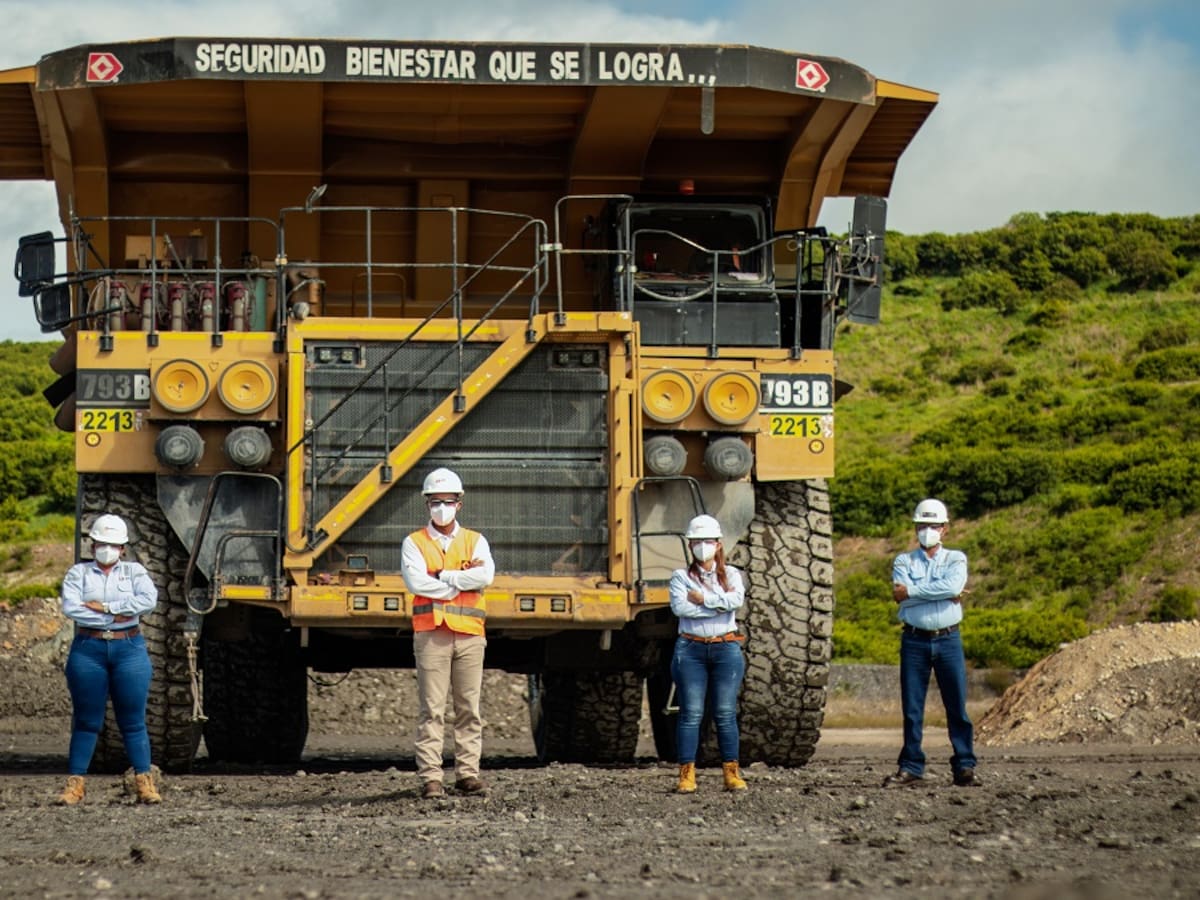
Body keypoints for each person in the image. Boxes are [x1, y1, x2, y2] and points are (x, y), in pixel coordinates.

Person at [400, 467, 495, 799]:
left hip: (469, 635)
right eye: (436, 502)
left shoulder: (475, 540)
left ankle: (468, 774)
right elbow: (416, 583)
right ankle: (431, 778)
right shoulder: (414, 543)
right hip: (431, 635)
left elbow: (484, 578)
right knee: (432, 708)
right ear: (427, 504)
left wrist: (442, 577)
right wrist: (458, 581)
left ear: (460, 503)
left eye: (448, 501)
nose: (442, 508)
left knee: (469, 706)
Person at [57, 514, 161, 805]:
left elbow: (148, 601)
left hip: (128, 648)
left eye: (113, 545)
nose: (107, 549)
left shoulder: (135, 572)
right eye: (101, 543)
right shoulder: (78, 574)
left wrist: (106, 607)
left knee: (133, 720)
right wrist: (120, 612)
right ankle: (75, 785)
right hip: (88, 649)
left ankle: (145, 783)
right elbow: (73, 609)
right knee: (87, 720)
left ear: (123, 549)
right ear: (92, 545)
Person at [886, 498, 978, 788]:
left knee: (957, 706)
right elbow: (949, 589)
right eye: (922, 525)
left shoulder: (956, 558)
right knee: (912, 708)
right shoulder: (903, 560)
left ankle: (964, 764)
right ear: (915, 528)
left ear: (945, 529)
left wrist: (912, 591)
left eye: (933, 525)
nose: (928, 530)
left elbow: (911, 592)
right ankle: (911, 764)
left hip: (948, 638)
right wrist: (945, 593)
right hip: (914, 638)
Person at [668, 514, 747, 793]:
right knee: (691, 712)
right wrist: (719, 605)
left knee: (725, 712)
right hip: (691, 648)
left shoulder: (733, 574)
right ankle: (687, 774)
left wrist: (704, 599)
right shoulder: (680, 577)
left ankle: (732, 773)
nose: (703, 545)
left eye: (708, 540)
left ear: (718, 543)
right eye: (697, 541)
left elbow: (737, 600)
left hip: (725, 647)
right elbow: (681, 609)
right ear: (690, 546)